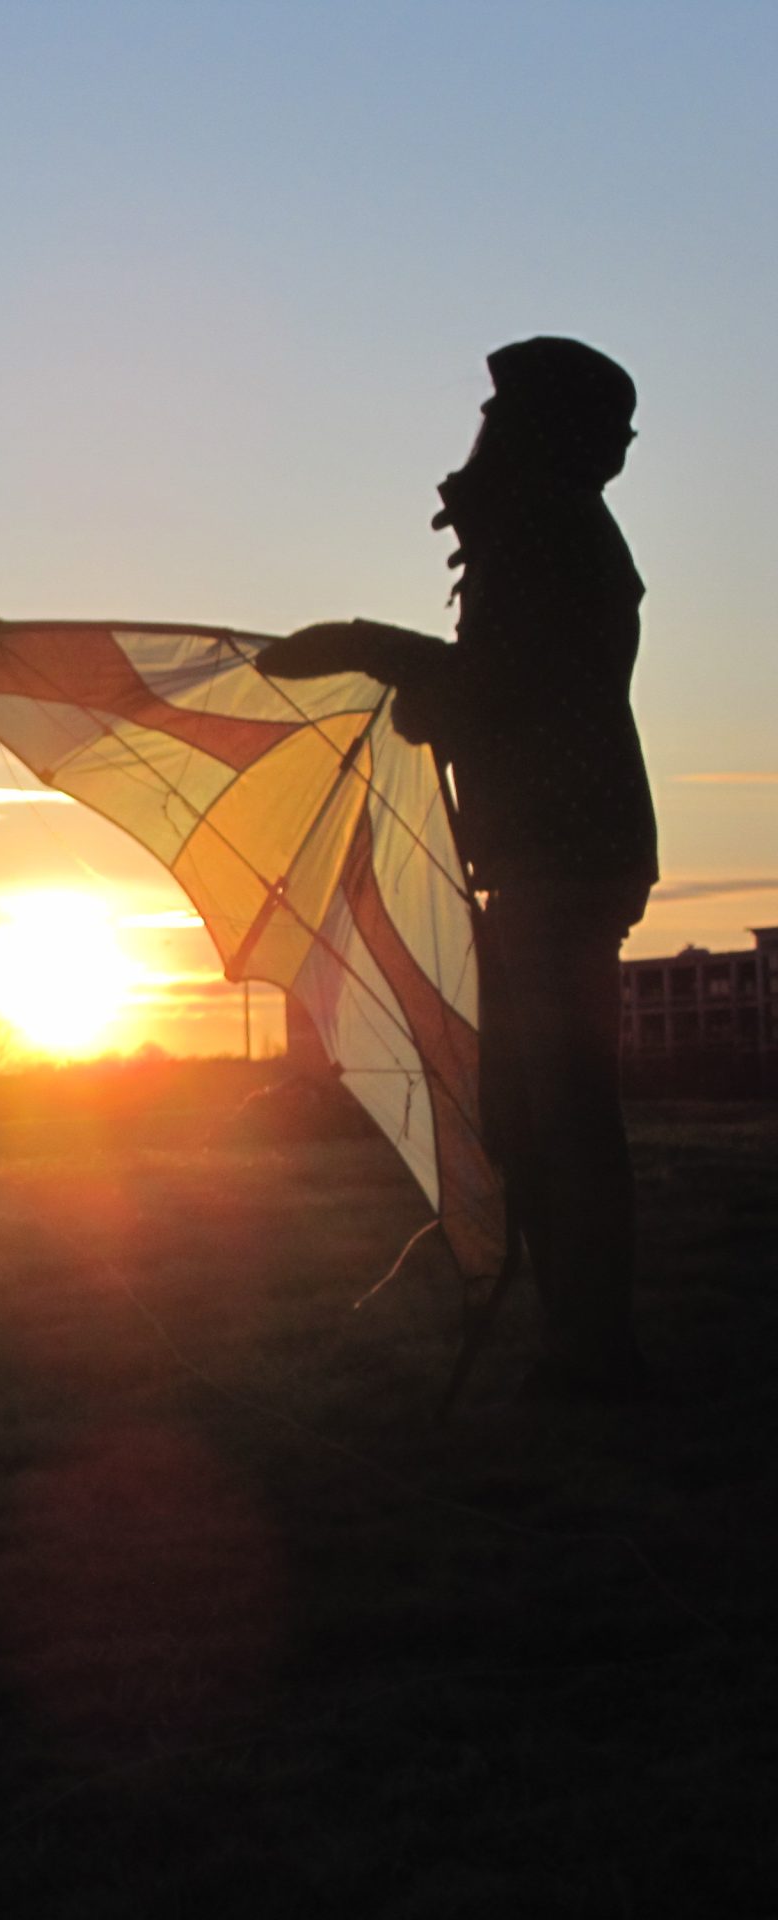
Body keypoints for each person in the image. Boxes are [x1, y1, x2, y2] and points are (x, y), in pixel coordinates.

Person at [266, 337, 654, 1397]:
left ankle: (592, 1355)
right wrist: (409, 675)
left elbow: (510, 685)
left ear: (530, 432)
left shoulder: (550, 536)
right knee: (539, 1109)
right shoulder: (542, 532)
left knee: (560, 1111)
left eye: (497, 416)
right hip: (555, 852)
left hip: (562, 857)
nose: (477, 434)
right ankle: (581, 1343)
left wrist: (370, 648)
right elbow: (506, 685)